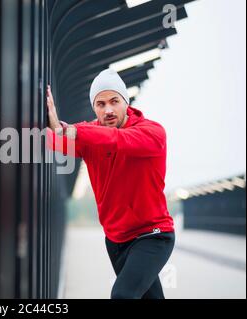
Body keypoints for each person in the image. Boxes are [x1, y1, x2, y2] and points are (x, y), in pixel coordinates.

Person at [46, 69, 175, 299]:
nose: (108, 110)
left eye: (114, 101)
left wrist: (68, 130)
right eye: (100, 103)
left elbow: (116, 140)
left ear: (125, 102)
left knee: (123, 295)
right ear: (94, 107)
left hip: (152, 236)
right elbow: (53, 141)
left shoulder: (152, 133)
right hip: (116, 239)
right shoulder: (90, 136)